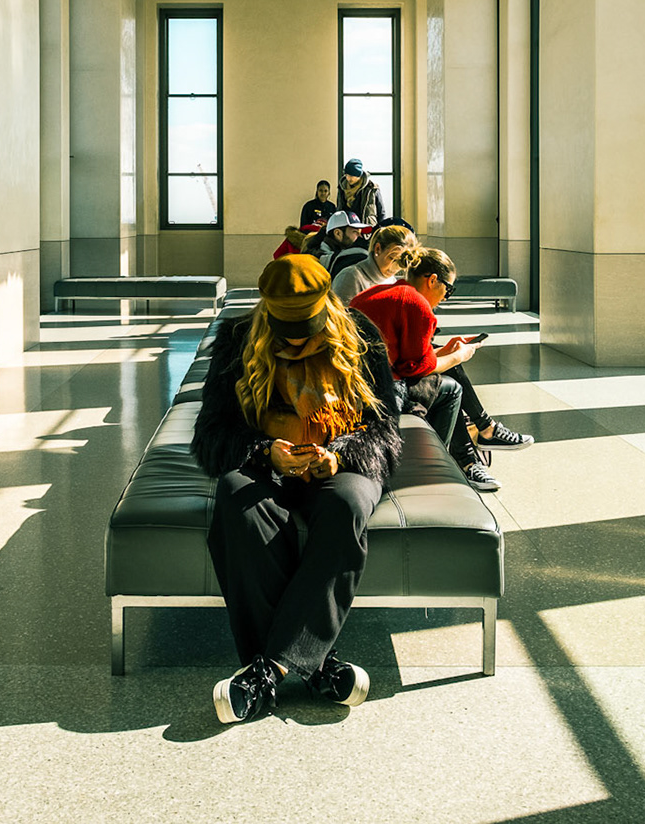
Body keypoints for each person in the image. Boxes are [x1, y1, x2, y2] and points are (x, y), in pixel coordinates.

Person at [192, 255, 403, 724]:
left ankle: (266, 671)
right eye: (286, 333)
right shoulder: (237, 340)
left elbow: (385, 427)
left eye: (305, 330)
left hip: (342, 459)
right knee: (237, 499)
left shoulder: (361, 336)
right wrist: (265, 450)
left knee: (347, 503)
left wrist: (340, 455)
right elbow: (211, 431)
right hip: (269, 461)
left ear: (327, 306)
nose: (296, 342)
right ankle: (315, 666)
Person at [350, 248, 533, 493]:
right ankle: (452, 460)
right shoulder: (416, 303)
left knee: (448, 370)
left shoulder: (384, 292)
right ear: (432, 280)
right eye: (448, 288)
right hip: (380, 393)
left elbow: (403, 358)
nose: (446, 297)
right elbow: (415, 369)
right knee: (451, 387)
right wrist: (459, 355)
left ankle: (475, 448)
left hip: (358, 382)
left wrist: (444, 351)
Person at [332, 223, 416, 305]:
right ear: (378, 249)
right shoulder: (350, 277)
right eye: (392, 258)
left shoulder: (392, 280)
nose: (396, 268)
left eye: (401, 262)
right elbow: (339, 317)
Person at [337, 159, 381, 227]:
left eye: (351, 176)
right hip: (347, 228)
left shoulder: (371, 189)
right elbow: (339, 208)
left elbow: (381, 211)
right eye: (346, 175)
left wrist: (381, 229)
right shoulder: (342, 187)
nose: (348, 178)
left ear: (359, 176)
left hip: (367, 229)